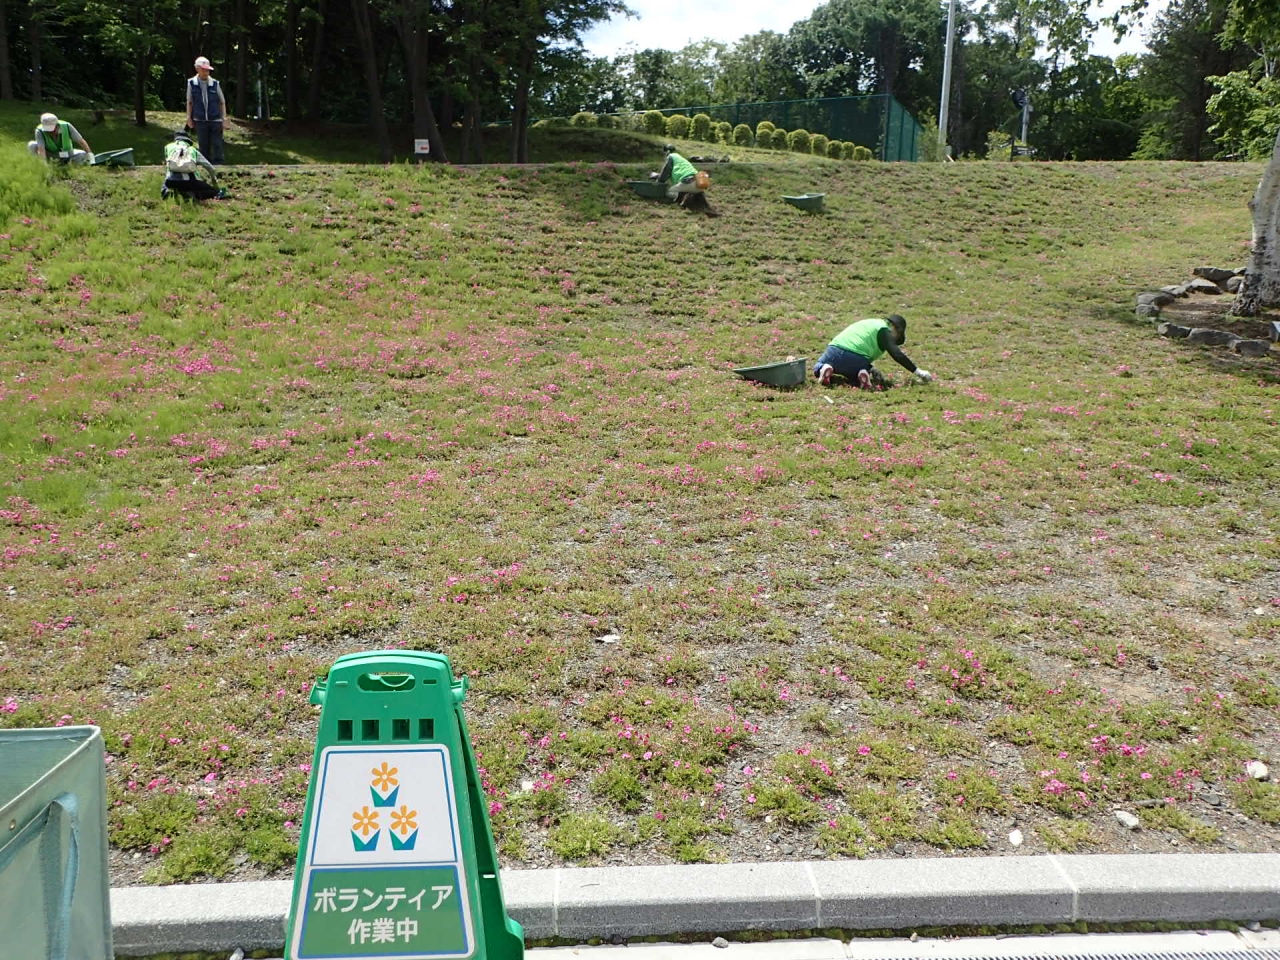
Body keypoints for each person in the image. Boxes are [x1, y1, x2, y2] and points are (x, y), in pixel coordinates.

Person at [814, 315, 933, 388]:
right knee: (856, 370)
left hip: (834, 350)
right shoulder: (884, 330)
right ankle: (862, 373)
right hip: (856, 359)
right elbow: (896, 354)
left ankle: (825, 368)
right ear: (896, 328)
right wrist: (919, 372)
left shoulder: (870, 323)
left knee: (819, 365)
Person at [161, 131, 226, 202]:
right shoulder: (193, 150)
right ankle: (192, 195)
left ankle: (169, 192)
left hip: (170, 181)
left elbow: (168, 166)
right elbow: (209, 167)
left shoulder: (168, 147)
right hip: (188, 182)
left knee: (172, 179)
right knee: (212, 191)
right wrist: (213, 179)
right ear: (187, 140)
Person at [186, 56, 227, 164]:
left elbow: (222, 101)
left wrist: (224, 118)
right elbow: (189, 102)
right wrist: (188, 117)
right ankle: (205, 164)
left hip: (215, 119)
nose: (206, 72)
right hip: (200, 119)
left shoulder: (215, 83)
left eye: (207, 70)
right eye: (203, 69)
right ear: (197, 69)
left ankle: (219, 164)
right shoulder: (191, 83)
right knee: (203, 144)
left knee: (217, 143)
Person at [27, 113, 93, 164]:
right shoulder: (39, 131)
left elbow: (81, 141)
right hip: (51, 154)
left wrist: (90, 156)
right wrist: (44, 164)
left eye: (52, 130)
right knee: (32, 145)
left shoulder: (67, 126)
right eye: (47, 130)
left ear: (57, 125)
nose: (50, 132)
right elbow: (41, 149)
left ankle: (67, 164)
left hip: (67, 153)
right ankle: (42, 164)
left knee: (82, 154)